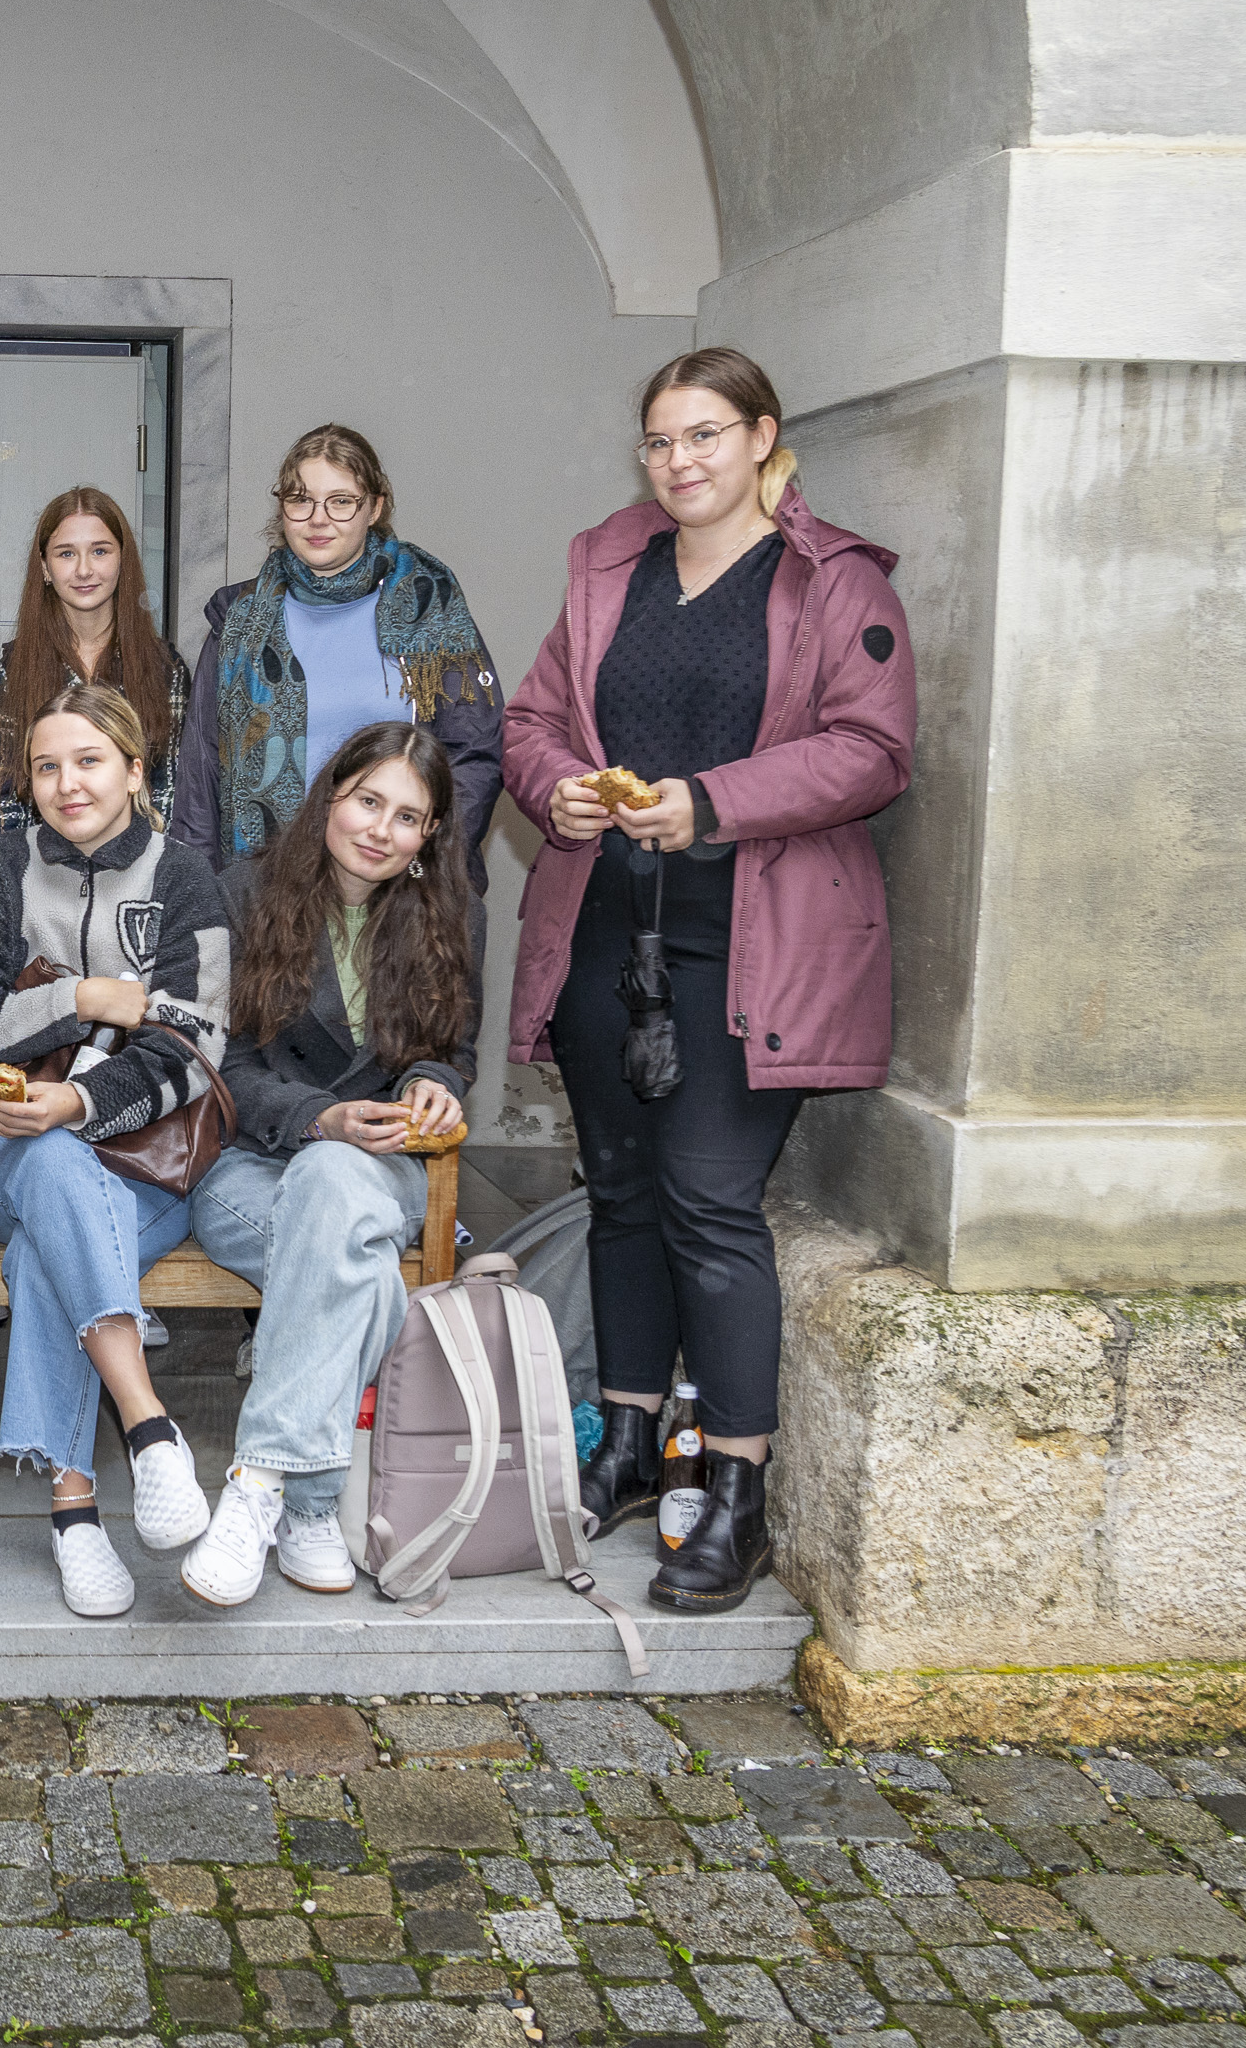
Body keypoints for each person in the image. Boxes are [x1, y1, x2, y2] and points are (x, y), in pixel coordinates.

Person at [504, 346, 916, 1616]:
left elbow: (872, 748)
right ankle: (628, 1442)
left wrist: (709, 802)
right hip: (601, 929)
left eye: (703, 436)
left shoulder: (829, 578)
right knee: (620, 1189)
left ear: (761, 439)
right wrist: (558, 786)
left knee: (709, 1200)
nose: (679, 462)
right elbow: (532, 722)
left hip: (752, 941)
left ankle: (733, 1482)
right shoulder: (608, 566)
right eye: (659, 442)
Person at [0, 683, 233, 1618]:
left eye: (90, 760)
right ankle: (149, 1429)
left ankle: (73, 1510)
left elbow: (196, 1044)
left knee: (45, 1251)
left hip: (150, 1167)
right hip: (5, 1161)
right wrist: (79, 1001)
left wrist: (78, 1100)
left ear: (137, 772)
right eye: (47, 766)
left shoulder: (185, 879)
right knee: (54, 1168)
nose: (67, 783)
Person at [175, 724, 484, 1606]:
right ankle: (310, 1505)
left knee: (334, 1188)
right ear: (330, 796)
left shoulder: (454, 913)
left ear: (430, 837)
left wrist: (429, 1084)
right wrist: (320, 1116)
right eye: (367, 801)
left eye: (408, 818)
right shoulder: (239, 894)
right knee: (355, 1265)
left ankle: (258, 1486)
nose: (381, 829)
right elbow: (219, 1067)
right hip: (248, 1166)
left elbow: (449, 1051)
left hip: (379, 1165)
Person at [170, 424, 502, 877]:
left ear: (375, 507)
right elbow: (200, 774)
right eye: (300, 499)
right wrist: (201, 897)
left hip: (401, 893)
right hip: (266, 893)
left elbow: (471, 754)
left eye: (341, 501)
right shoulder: (238, 620)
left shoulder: (429, 608)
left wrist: (424, 866)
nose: (317, 519)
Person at [0, 484, 189, 843]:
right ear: (45, 567)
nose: (84, 570)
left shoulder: (165, 669)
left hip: (139, 868)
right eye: (66, 554)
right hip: (38, 873)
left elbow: (170, 794)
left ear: (123, 560)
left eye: (100, 551)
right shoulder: (13, 674)